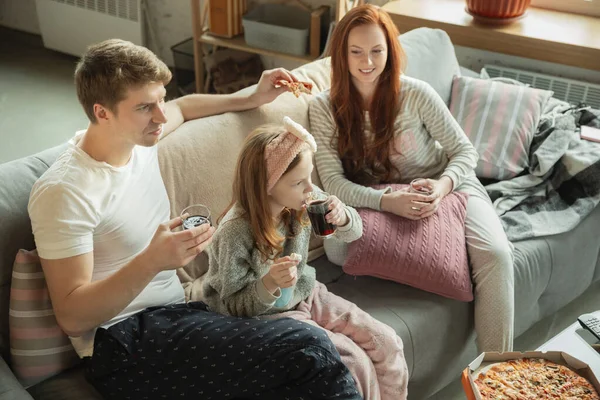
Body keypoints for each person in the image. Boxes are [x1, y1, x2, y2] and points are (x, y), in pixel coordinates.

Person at [28, 39, 362, 399]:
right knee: (307, 347)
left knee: (298, 368)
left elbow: (184, 107)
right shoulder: (64, 191)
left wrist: (253, 96)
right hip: (124, 342)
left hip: (179, 315)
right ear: (102, 113)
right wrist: (152, 261)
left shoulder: (138, 140)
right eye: (145, 107)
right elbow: (73, 316)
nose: (160, 115)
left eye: (160, 99)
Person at [308, 5, 514, 353]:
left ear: (390, 50)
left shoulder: (415, 94)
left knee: (496, 254)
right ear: (340, 55)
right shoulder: (324, 107)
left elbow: (465, 153)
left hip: (445, 184)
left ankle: (498, 369)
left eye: (377, 50)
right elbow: (334, 185)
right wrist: (387, 201)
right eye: (355, 52)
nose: (367, 62)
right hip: (380, 197)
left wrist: (442, 186)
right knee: (336, 248)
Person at [202, 117, 409, 400]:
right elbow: (233, 305)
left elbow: (354, 232)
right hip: (265, 317)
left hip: (305, 292)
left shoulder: (303, 201)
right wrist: (268, 283)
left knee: (388, 342)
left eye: (310, 177)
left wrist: (344, 216)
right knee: (353, 364)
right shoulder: (235, 231)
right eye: (300, 182)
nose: (311, 189)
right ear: (267, 185)